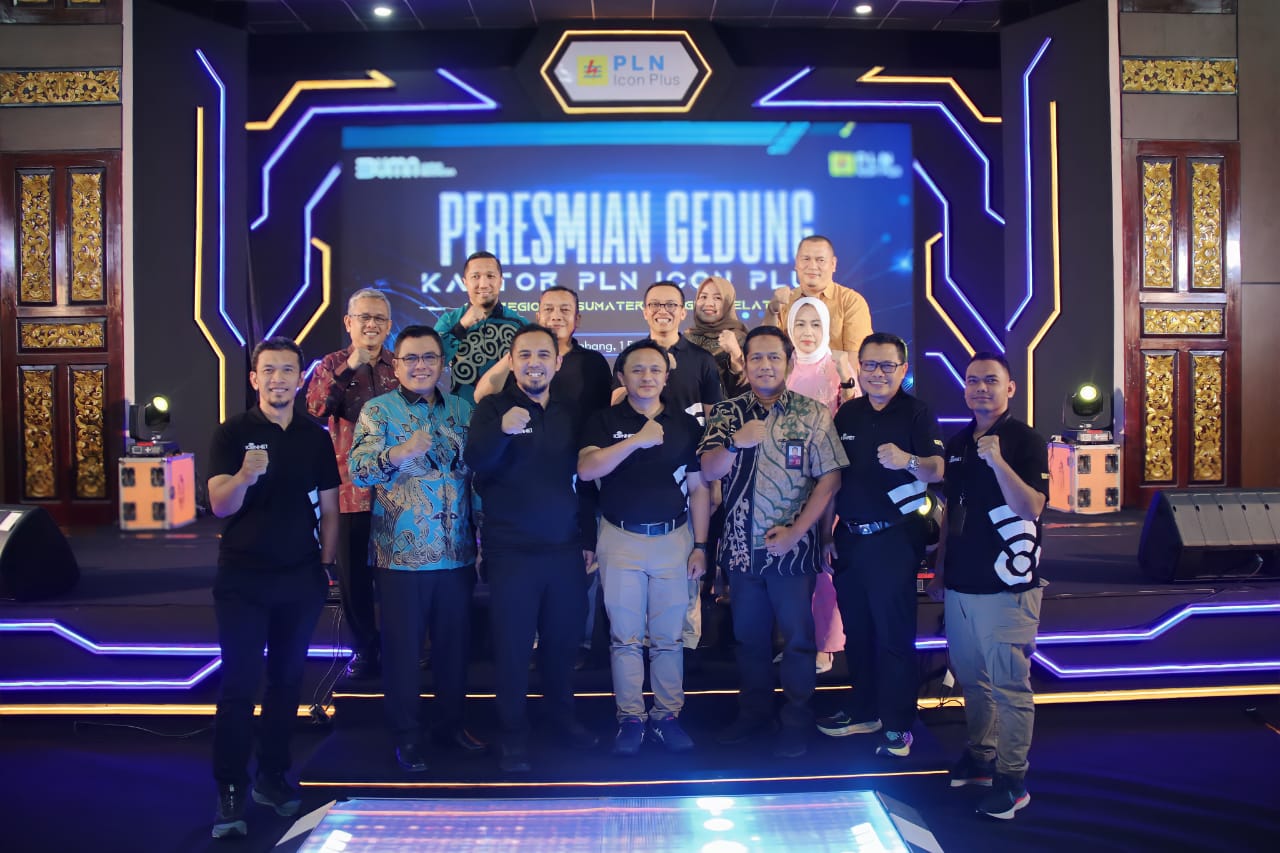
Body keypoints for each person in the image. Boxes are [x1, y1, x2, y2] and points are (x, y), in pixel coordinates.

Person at [207, 337, 340, 840]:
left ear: (300, 379)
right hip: (242, 578)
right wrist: (244, 475)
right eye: (269, 370)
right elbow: (219, 505)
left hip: (300, 577)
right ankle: (231, 789)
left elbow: (331, 509)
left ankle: (272, 776)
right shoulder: (233, 432)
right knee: (239, 686)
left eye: (288, 370)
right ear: (254, 378)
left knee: (286, 684)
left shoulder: (314, 436)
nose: (279, 378)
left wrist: (325, 567)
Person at [698, 326, 847, 759]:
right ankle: (754, 715)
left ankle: (796, 722)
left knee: (798, 642)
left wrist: (799, 532)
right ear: (744, 363)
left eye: (774, 357)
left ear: (789, 362)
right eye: (756, 358)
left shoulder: (812, 413)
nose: (765, 365)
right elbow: (708, 470)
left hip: (793, 553)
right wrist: (735, 443)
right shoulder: (727, 412)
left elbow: (830, 478)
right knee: (750, 641)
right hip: (741, 552)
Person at [348, 325, 485, 774]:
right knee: (403, 653)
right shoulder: (378, 410)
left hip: (456, 552)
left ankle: (450, 725)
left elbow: (475, 478)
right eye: (411, 358)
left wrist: (482, 537)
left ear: (442, 363)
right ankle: (406, 736)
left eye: (429, 357)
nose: (421, 366)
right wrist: (398, 453)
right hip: (400, 557)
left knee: (453, 649)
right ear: (397, 365)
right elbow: (359, 472)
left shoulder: (462, 410)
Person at [463, 324, 600, 773]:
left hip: (564, 548)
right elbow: (476, 461)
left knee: (562, 645)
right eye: (524, 355)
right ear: (511, 360)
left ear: (557, 362)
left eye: (543, 354)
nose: (534, 363)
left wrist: (587, 537)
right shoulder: (492, 408)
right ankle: (513, 735)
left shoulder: (568, 411)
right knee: (513, 648)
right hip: (512, 551)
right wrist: (501, 431)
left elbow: (584, 479)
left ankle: (562, 720)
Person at [927, 352, 1048, 820]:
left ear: (1010, 388)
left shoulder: (1025, 440)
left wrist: (997, 461)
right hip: (962, 583)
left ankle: (1013, 780)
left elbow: (1031, 507)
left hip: (1007, 587)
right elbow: (951, 512)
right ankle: (982, 756)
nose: (981, 388)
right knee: (973, 681)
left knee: (1009, 687)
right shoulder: (958, 442)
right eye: (973, 380)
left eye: (991, 380)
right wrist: (940, 569)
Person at [578, 340, 711, 756]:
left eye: (655, 369)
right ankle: (631, 718)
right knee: (626, 638)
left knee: (669, 638)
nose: (647, 377)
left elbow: (699, 489)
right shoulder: (603, 420)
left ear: (666, 377)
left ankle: (667, 715)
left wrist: (700, 545)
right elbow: (587, 469)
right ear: (622, 376)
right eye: (637, 369)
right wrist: (637, 440)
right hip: (620, 538)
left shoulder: (685, 425)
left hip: (674, 539)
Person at [818, 333, 945, 759]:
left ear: (902, 369)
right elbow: (833, 477)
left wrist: (908, 460)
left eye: (887, 365)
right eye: (870, 365)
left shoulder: (917, 412)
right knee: (858, 632)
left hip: (895, 539)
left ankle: (897, 725)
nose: (877, 373)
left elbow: (937, 469)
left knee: (893, 636)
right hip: (850, 539)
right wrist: (827, 534)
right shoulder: (848, 413)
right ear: (859, 368)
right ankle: (864, 711)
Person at [474, 285, 613, 669]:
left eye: (565, 309)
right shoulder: (512, 380)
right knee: (516, 633)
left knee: (574, 595)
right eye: (549, 309)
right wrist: (515, 357)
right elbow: (482, 399)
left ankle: (576, 646)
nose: (557, 315)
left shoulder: (591, 366)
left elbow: (597, 426)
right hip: (514, 517)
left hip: (572, 487)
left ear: (577, 318)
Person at [621, 281, 724, 656]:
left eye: (670, 305)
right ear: (644, 311)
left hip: (691, 475)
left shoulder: (702, 360)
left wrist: (714, 481)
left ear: (683, 312)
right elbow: (615, 409)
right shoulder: (631, 357)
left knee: (689, 561)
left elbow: (715, 422)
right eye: (654, 304)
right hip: (641, 476)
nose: (662, 311)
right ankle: (645, 642)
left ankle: (687, 642)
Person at [305, 288, 399, 679]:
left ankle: (400, 649)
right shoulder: (332, 364)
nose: (371, 325)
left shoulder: (400, 364)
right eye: (364, 317)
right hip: (350, 490)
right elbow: (315, 406)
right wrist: (350, 367)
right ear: (349, 323)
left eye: (379, 318)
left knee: (396, 580)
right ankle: (364, 651)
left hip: (398, 493)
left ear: (389, 326)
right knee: (354, 581)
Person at [784, 296, 857, 674]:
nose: (807, 332)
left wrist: (847, 381)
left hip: (829, 476)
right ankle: (795, 640)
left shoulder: (838, 368)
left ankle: (826, 644)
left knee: (823, 563)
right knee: (791, 566)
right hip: (786, 478)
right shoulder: (784, 366)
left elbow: (854, 413)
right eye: (800, 323)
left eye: (815, 324)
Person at [434, 251, 527, 404]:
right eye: (475, 276)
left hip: (509, 412)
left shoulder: (519, 325)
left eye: (490, 276)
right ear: (465, 282)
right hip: (463, 412)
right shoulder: (450, 321)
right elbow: (432, 362)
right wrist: (461, 327)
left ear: (501, 281)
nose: (483, 284)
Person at [767, 234, 873, 357]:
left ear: (833, 264)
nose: (812, 266)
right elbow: (769, 349)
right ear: (796, 263)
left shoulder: (851, 301)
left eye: (820, 260)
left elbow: (856, 359)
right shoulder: (784, 301)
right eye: (806, 259)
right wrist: (772, 310)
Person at [685, 275, 749, 399]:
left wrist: (735, 353)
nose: (709, 303)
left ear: (728, 303)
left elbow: (747, 386)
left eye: (718, 298)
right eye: (703, 297)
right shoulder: (687, 337)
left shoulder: (739, 338)